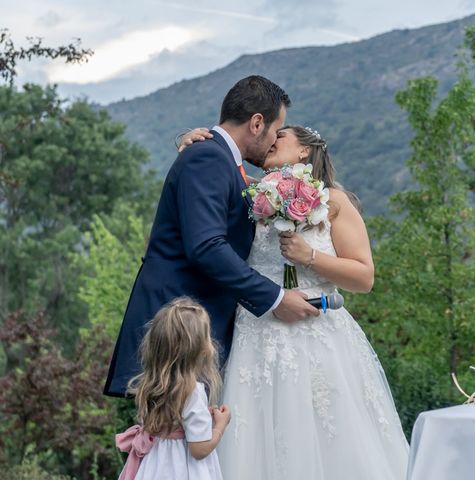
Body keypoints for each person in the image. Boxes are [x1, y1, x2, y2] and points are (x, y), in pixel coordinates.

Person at [179, 125, 409, 479]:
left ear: (305, 151)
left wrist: (309, 256)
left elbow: (364, 278)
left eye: (281, 136)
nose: (271, 140)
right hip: (258, 334)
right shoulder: (254, 197)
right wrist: (192, 142)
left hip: (321, 334)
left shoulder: (334, 202)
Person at [104, 75, 319, 397]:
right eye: (276, 130)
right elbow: (206, 246)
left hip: (197, 327)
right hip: (177, 331)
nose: (275, 140)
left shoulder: (221, 160)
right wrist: (275, 298)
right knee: (172, 442)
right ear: (257, 123)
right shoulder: (208, 157)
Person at [116, 297, 231, 480]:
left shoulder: (153, 382)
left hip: (155, 465)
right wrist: (219, 426)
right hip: (182, 468)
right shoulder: (193, 391)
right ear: (200, 349)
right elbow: (199, 449)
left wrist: (202, 415)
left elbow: (177, 421)